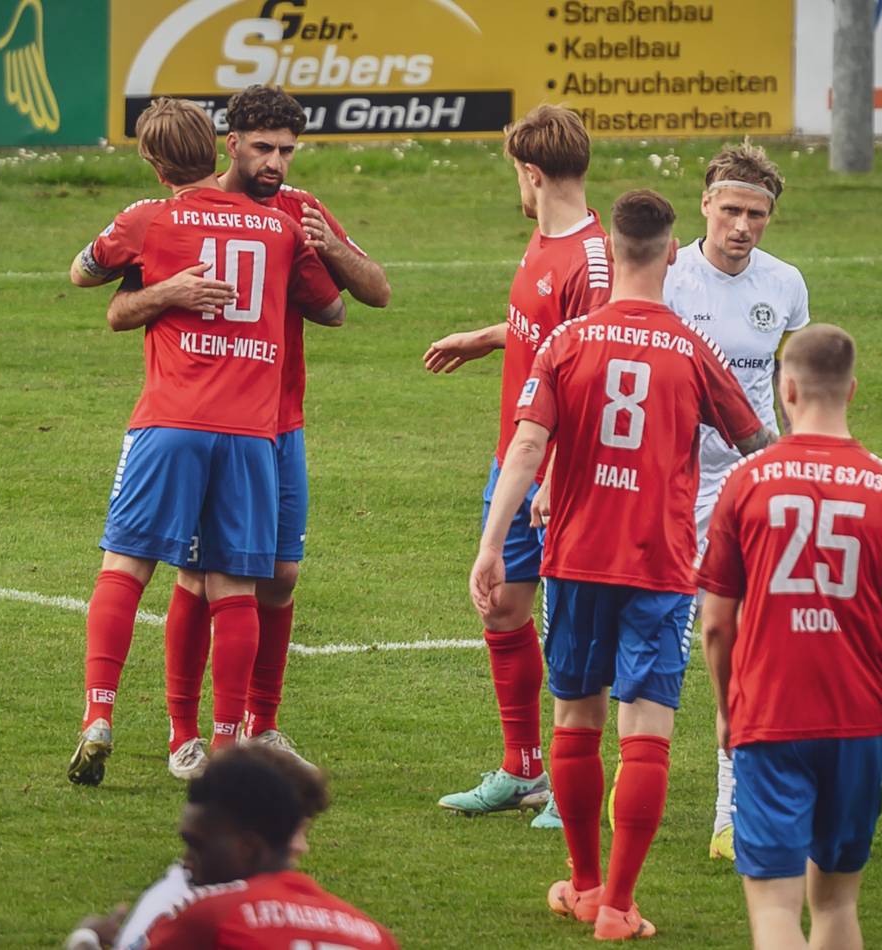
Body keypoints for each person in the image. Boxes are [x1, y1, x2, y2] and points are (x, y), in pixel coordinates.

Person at [471, 189, 773, 939]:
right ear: (672, 253)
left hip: (574, 558)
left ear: (615, 250)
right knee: (647, 732)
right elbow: (756, 449)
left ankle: (582, 883)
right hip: (662, 564)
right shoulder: (693, 350)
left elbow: (529, 447)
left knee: (575, 720)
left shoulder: (569, 341)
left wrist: (491, 540)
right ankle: (619, 906)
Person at [106, 85, 390, 781]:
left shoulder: (299, 210)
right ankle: (185, 733)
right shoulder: (180, 213)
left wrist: (330, 251)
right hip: (219, 421)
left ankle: (261, 725)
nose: (277, 163)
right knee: (201, 576)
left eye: (288, 151)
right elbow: (118, 302)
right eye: (263, 148)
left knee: (279, 574)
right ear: (229, 144)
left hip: (278, 424)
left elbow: (374, 292)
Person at [423, 104, 612, 827]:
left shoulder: (592, 262)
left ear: (532, 172)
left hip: (558, 473)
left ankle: (570, 784)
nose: (520, 189)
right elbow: (550, 337)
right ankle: (522, 768)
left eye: (518, 177)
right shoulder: (543, 239)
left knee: (570, 629)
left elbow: (593, 374)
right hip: (516, 460)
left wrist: (556, 476)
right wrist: (491, 336)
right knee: (501, 605)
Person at [697, 324, 882, 950]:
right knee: (835, 904)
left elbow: (718, 623)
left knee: (776, 909)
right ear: (852, 390)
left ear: (788, 388)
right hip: (859, 721)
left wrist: (728, 712)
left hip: (771, 715)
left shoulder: (746, 483)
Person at [662, 140, 810, 861]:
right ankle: (600, 787)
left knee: (744, 649)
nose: (743, 226)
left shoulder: (784, 285)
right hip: (664, 484)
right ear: (706, 205)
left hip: (749, 487)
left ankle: (731, 808)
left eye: (756, 214)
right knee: (659, 642)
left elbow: (793, 385)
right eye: (731, 210)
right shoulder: (667, 277)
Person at [64, 746, 398, 949]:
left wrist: (84, 941)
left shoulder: (209, 919)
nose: (187, 862)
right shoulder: (374, 936)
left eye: (197, 845)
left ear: (248, 848)